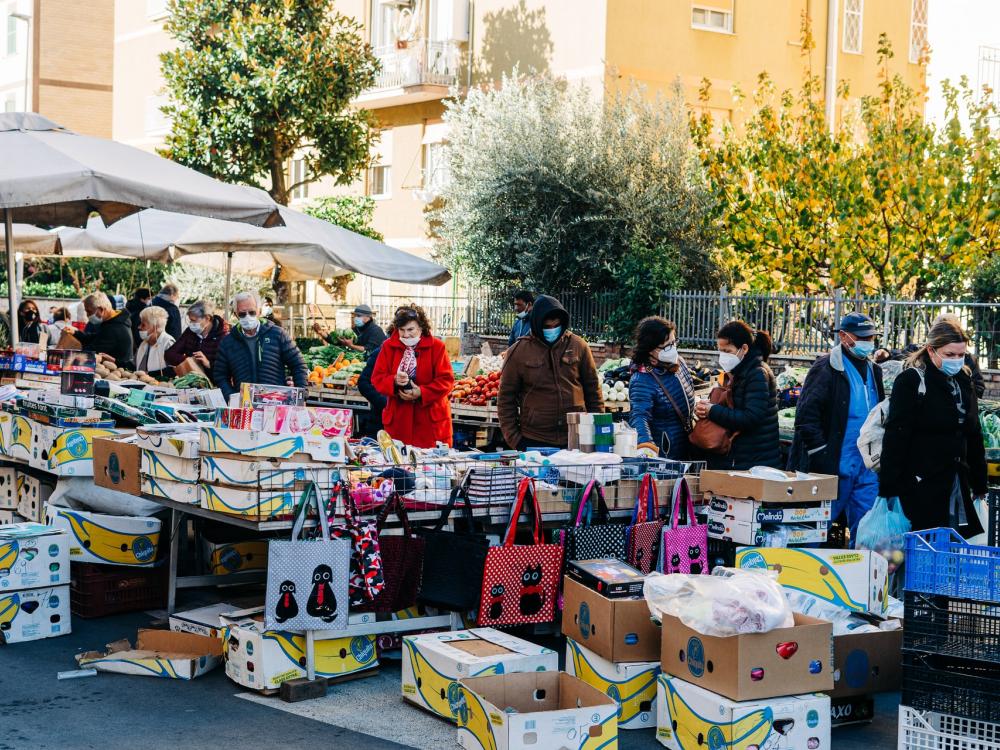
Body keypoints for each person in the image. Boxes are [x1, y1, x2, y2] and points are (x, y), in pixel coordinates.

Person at [879, 319, 987, 537]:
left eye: (961, 355)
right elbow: (896, 435)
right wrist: (889, 489)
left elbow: (973, 433)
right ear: (931, 350)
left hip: (956, 482)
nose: (956, 360)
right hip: (919, 484)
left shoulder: (964, 381)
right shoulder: (911, 381)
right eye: (949, 355)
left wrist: (979, 483)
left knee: (954, 549)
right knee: (922, 549)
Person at [790, 312, 885, 544]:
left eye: (871, 337)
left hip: (866, 467)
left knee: (868, 531)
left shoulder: (875, 370)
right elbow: (806, 416)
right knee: (813, 530)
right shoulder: (826, 368)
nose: (867, 342)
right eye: (861, 337)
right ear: (843, 336)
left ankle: (864, 575)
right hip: (833, 465)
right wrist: (820, 452)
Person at [498, 294, 604, 450]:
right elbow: (506, 398)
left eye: (557, 325)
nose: (553, 330)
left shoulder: (578, 346)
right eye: (547, 327)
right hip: (534, 439)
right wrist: (515, 439)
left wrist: (597, 431)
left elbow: (593, 390)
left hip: (577, 436)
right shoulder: (518, 352)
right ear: (537, 324)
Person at [694, 320, 780, 470]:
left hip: (754, 460)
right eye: (720, 351)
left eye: (727, 351)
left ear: (744, 349)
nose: (723, 356)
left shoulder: (757, 374)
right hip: (743, 457)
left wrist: (712, 410)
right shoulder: (739, 371)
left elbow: (750, 417)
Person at [370, 306, 454, 448]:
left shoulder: (437, 347)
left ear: (421, 328)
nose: (406, 335)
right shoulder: (388, 346)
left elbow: (446, 381)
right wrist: (394, 381)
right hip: (399, 422)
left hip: (429, 424)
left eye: (410, 330)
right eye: (402, 330)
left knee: (432, 467)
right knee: (399, 465)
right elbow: (377, 378)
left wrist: (421, 392)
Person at [213, 291, 309, 401]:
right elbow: (220, 375)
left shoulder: (278, 334)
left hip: (276, 402)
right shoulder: (228, 342)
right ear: (236, 315)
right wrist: (232, 397)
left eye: (252, 312)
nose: (247, 316)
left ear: (259, 311)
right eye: (242, 314)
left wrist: (301, 394)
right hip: (244, 405)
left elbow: (298, 365)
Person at [628, 316, 695, 459]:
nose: (672, 349)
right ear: (651, 349)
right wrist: (647, 448)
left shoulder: (678, 363)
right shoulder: (642, 378)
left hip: (686, 444)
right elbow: (639, 416)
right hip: (665, 451)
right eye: (667, 346)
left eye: (673, 342)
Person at [165, 300, 230, 376]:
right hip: (191, 380)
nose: (191, 324)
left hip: (215, 383)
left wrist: (208, 364)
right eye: (190, 320)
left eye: (193, 320)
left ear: (207, 318)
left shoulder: (224, 337)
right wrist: (189, 361)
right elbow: (170, 353)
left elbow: (228, 369)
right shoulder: (190, 332)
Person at [75, 292, 135, 370]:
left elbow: (92, 350)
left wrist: (71, 355)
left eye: (89, 312)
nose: (87, 315)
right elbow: (96, 337)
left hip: (116, 372)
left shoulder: (114, 329)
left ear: (101, 309)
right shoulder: (111, 322)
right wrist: (76, 333)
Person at [933, 313, 985, 399]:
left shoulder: (968, 358)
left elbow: (978, 389)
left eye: (961, 355)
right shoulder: (916, 353)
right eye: (949, 354)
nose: (955, 358)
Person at [313, 304, 386, 358]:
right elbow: (338, 341)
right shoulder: (356, 330)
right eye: (355, 316)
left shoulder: (376, 331)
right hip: (357, 362)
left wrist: (351, 345)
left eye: (358, 316)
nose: (355, 318)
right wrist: (321, 333)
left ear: (368, 317)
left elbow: (368, 350)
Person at [134, 306, 176, 380]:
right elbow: (134, 364)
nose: (139, 327)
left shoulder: (168, 342)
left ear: (155, 327)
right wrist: (115, 361)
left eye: (143, 325)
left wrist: (148, 375)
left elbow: (173, 370)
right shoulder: (144, 343)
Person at [357, 343, 387, 438]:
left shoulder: (418, 354)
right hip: (380, 419)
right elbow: (363, 382)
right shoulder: (380, 352)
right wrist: (384, 402)